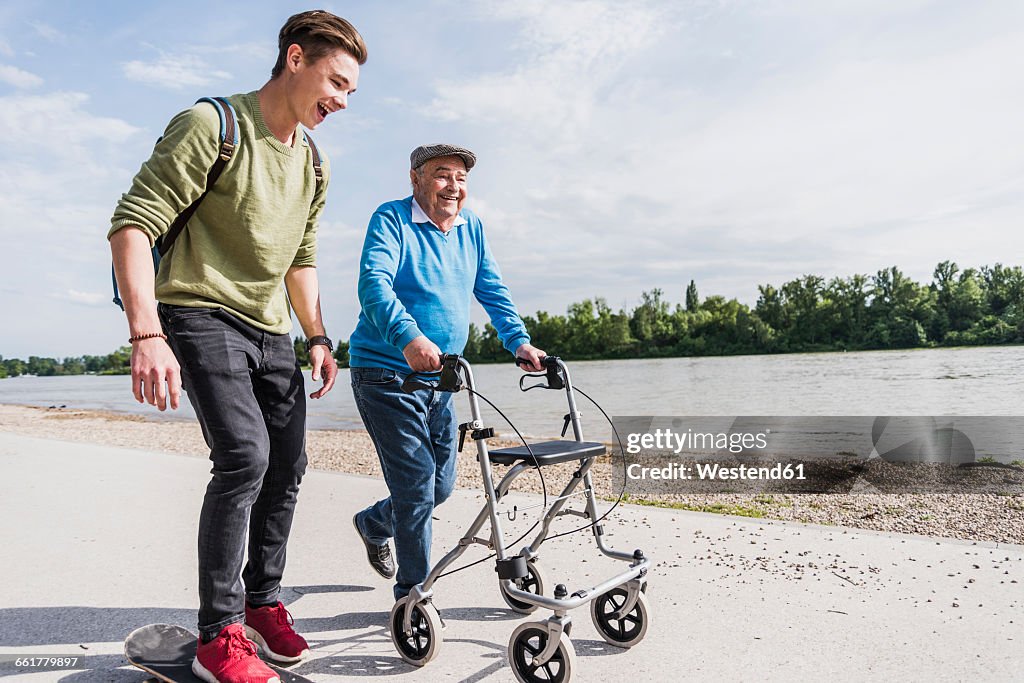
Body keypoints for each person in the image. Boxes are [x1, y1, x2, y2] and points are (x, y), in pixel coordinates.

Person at [107, 11, 366, 683]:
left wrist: (316, 335)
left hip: (269, 326)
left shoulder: (313, 160)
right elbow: (132, 226)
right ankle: (219, 632)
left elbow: (300, 258)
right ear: (294, 57)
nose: (340, 100)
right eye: (335, 81)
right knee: (244, 456)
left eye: (350, 91)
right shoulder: (211, 126)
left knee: (289, 463)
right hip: (196, 309)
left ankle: (261, 601)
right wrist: (146, 333)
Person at [348, 143, 545, 605]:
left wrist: (517, 341)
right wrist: (408, 337)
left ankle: (374, 522)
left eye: (460, 178)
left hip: (442, 378)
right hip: (385, 373)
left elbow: (491, 288)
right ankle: (413, 598)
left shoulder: (471, 228)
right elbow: (373, 284)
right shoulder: (392, 219)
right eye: (442, 175)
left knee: (440, 486)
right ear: (415, 179)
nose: (453, 186)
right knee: (416, 487)